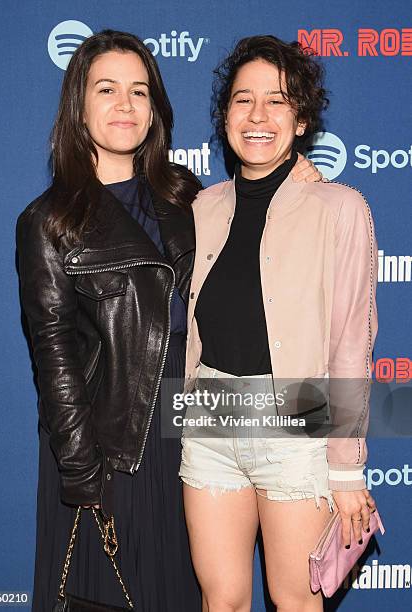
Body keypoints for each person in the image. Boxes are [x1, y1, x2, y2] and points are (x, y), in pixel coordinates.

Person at [17, 29, 320, 612]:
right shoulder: (49, 221)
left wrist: (299, 181)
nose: (125, 105)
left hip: (201, 435)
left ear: (155, 107)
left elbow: (255, 252)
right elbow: (54, 359)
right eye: (107, 90)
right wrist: (83, 474)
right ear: (79, 104)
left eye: (139, 91)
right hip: (113, 450)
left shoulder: (188, 198)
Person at [180, 35, 378, 611]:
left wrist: (345, 469)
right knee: (222, 602)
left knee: (294, 602)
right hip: (209, 417)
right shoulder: (203, 207)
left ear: (302, 117)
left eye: (278, 99)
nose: (259, 115)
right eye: (244, 100)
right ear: (225, 117)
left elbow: (349, 346)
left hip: (298, 419)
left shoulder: (340, 209)